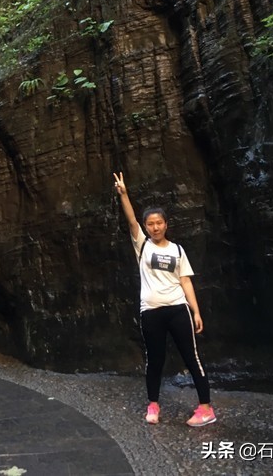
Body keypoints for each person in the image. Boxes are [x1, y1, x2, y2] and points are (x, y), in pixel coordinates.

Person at [113, 170, 216, 427]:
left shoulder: (178, 250)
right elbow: (130, 221)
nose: (155, 227)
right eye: (151, 224)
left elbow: (185, 281)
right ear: (146, 227)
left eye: (159, 222)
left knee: (191, 358)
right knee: (155, 360)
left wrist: (196, 311)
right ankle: (153, 404)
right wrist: (124, 195)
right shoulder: (142, 245)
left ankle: (206, 408)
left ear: (166, 224)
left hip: (178, 310)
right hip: (151, 311)